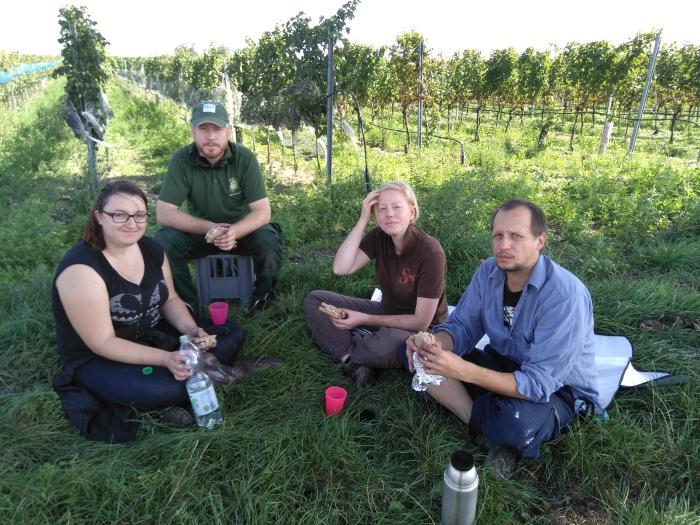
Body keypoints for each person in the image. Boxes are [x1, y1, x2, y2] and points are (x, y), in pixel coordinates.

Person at [52, 181, 279, 442]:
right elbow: (103, 343)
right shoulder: (81, 271)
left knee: (231, 331)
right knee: (168, 386)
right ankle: (205, 380)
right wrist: (165, 359)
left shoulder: (151, 249)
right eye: (119, 215)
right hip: (101, 358)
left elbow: (170, 299)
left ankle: (196, 379)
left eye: (139, 215)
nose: (131, 223)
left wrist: (190, 329)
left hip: (150, 332)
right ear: (99, 216)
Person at [404, 199, 601, 478]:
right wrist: (433, 344)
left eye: (516, 236)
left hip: (559, 389)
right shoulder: (489, 271)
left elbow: (538, 383)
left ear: (540, 241)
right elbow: (462, 327)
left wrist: (461, 371)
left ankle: (488, 420)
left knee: (514, 422)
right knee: (423, 359)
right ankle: (485, 434)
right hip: (506, 363)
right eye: (498, 235)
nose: (503, 245)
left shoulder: (565, 296)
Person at [304, 182, 448, 386]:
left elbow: (421, 322)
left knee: (387, 341)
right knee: (316, 300)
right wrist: (363, 219)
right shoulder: (379, 238)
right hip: (386, 311)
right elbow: (341, 268)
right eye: (382, 208)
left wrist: (364, 318)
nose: (389, 213)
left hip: (423, 331)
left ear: (412, 212)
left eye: (397, 207)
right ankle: (352, 359)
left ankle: (356, 349)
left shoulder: (430, 252)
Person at [155, 99, 283, 314]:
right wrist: (210, 228)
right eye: (203, 129)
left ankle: (261, 299)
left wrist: (233, 231)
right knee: (162, 243)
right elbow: (164, 214)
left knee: (268, 241)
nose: (211, 136)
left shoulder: (244, 158)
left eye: (217, 129)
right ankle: (189, 304)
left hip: (241, 233)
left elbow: (263, 211)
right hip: (201, 234)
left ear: (228, 131)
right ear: (193, 131)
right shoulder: (181, 160)